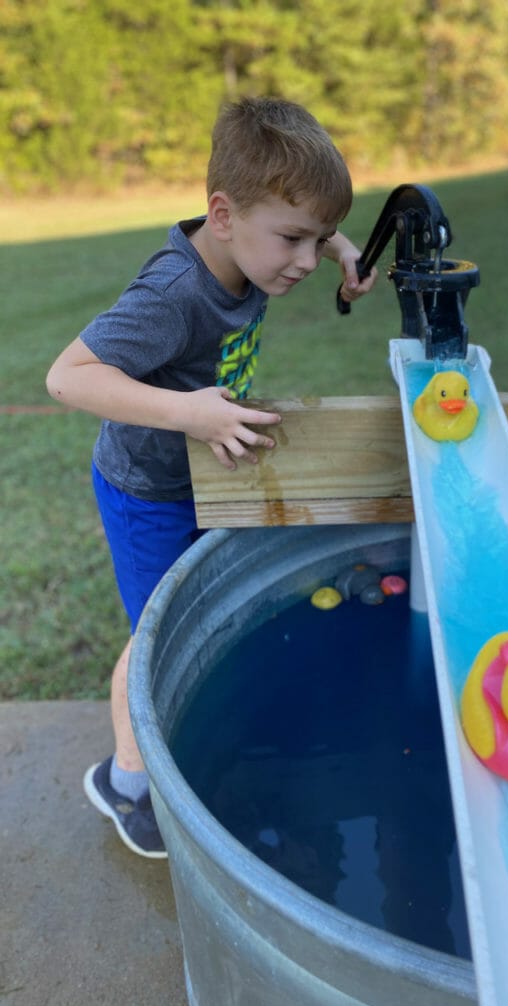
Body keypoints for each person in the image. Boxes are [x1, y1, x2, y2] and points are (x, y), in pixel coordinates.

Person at [46, 96, 377, 858]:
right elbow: (67, 377)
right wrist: (188, 413)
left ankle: (191, 742)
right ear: (222, 215)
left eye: (316, 238)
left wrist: (341, 249)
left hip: (199, 471)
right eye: (294, 240)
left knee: (199, 611)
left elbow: (302, 226)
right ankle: (127, 784)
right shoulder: (174, 293)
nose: (304, 258)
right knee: (157, 634)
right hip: (145, 489)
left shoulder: (255, 243)